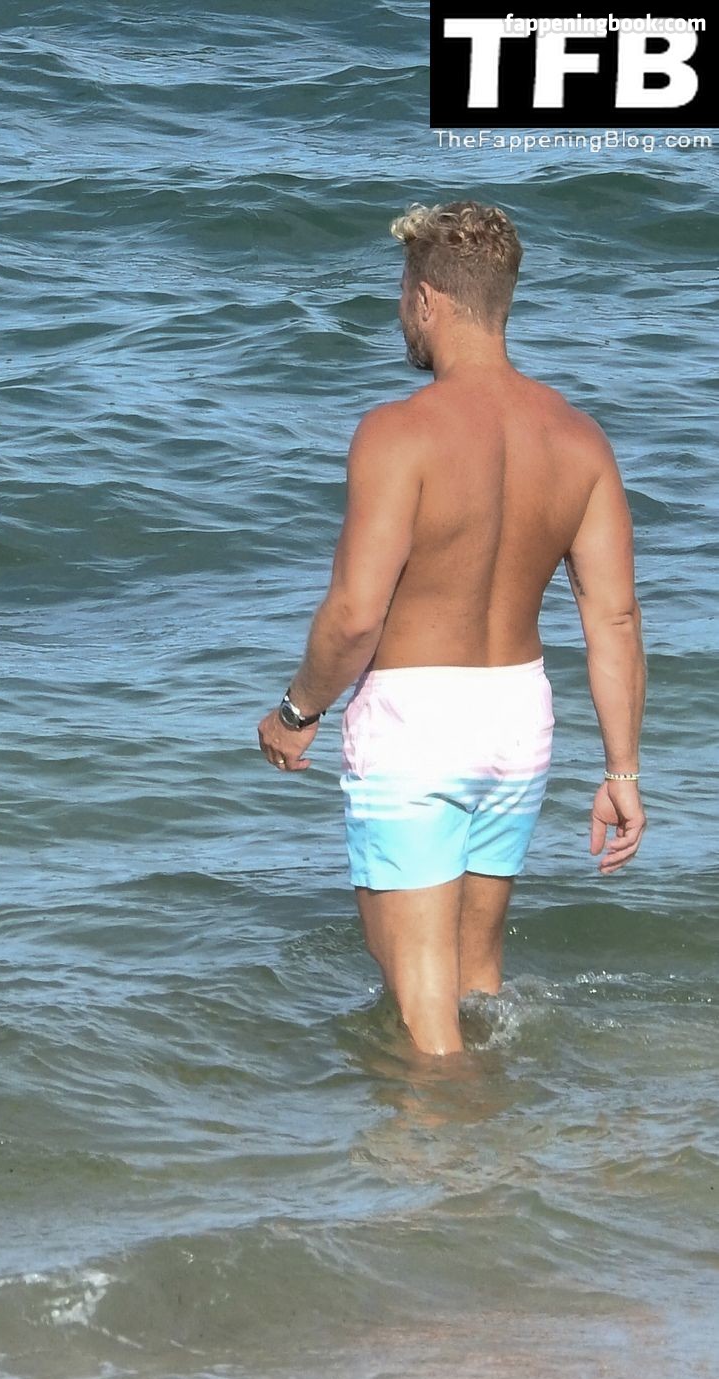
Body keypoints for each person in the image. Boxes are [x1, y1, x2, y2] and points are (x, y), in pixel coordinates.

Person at [257, 200, 646, 1056]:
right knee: (475, 981)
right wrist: (621, 770)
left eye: (403, 293)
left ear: (427, 298)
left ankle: (441, 1132)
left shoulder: (398, 434)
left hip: (417, 722)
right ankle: (501, 1131)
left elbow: (355, 613)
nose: (402, 310)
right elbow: (613, 618)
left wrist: (295, 711)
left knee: (419, 1002)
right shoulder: (580, 440)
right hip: (518, 719)